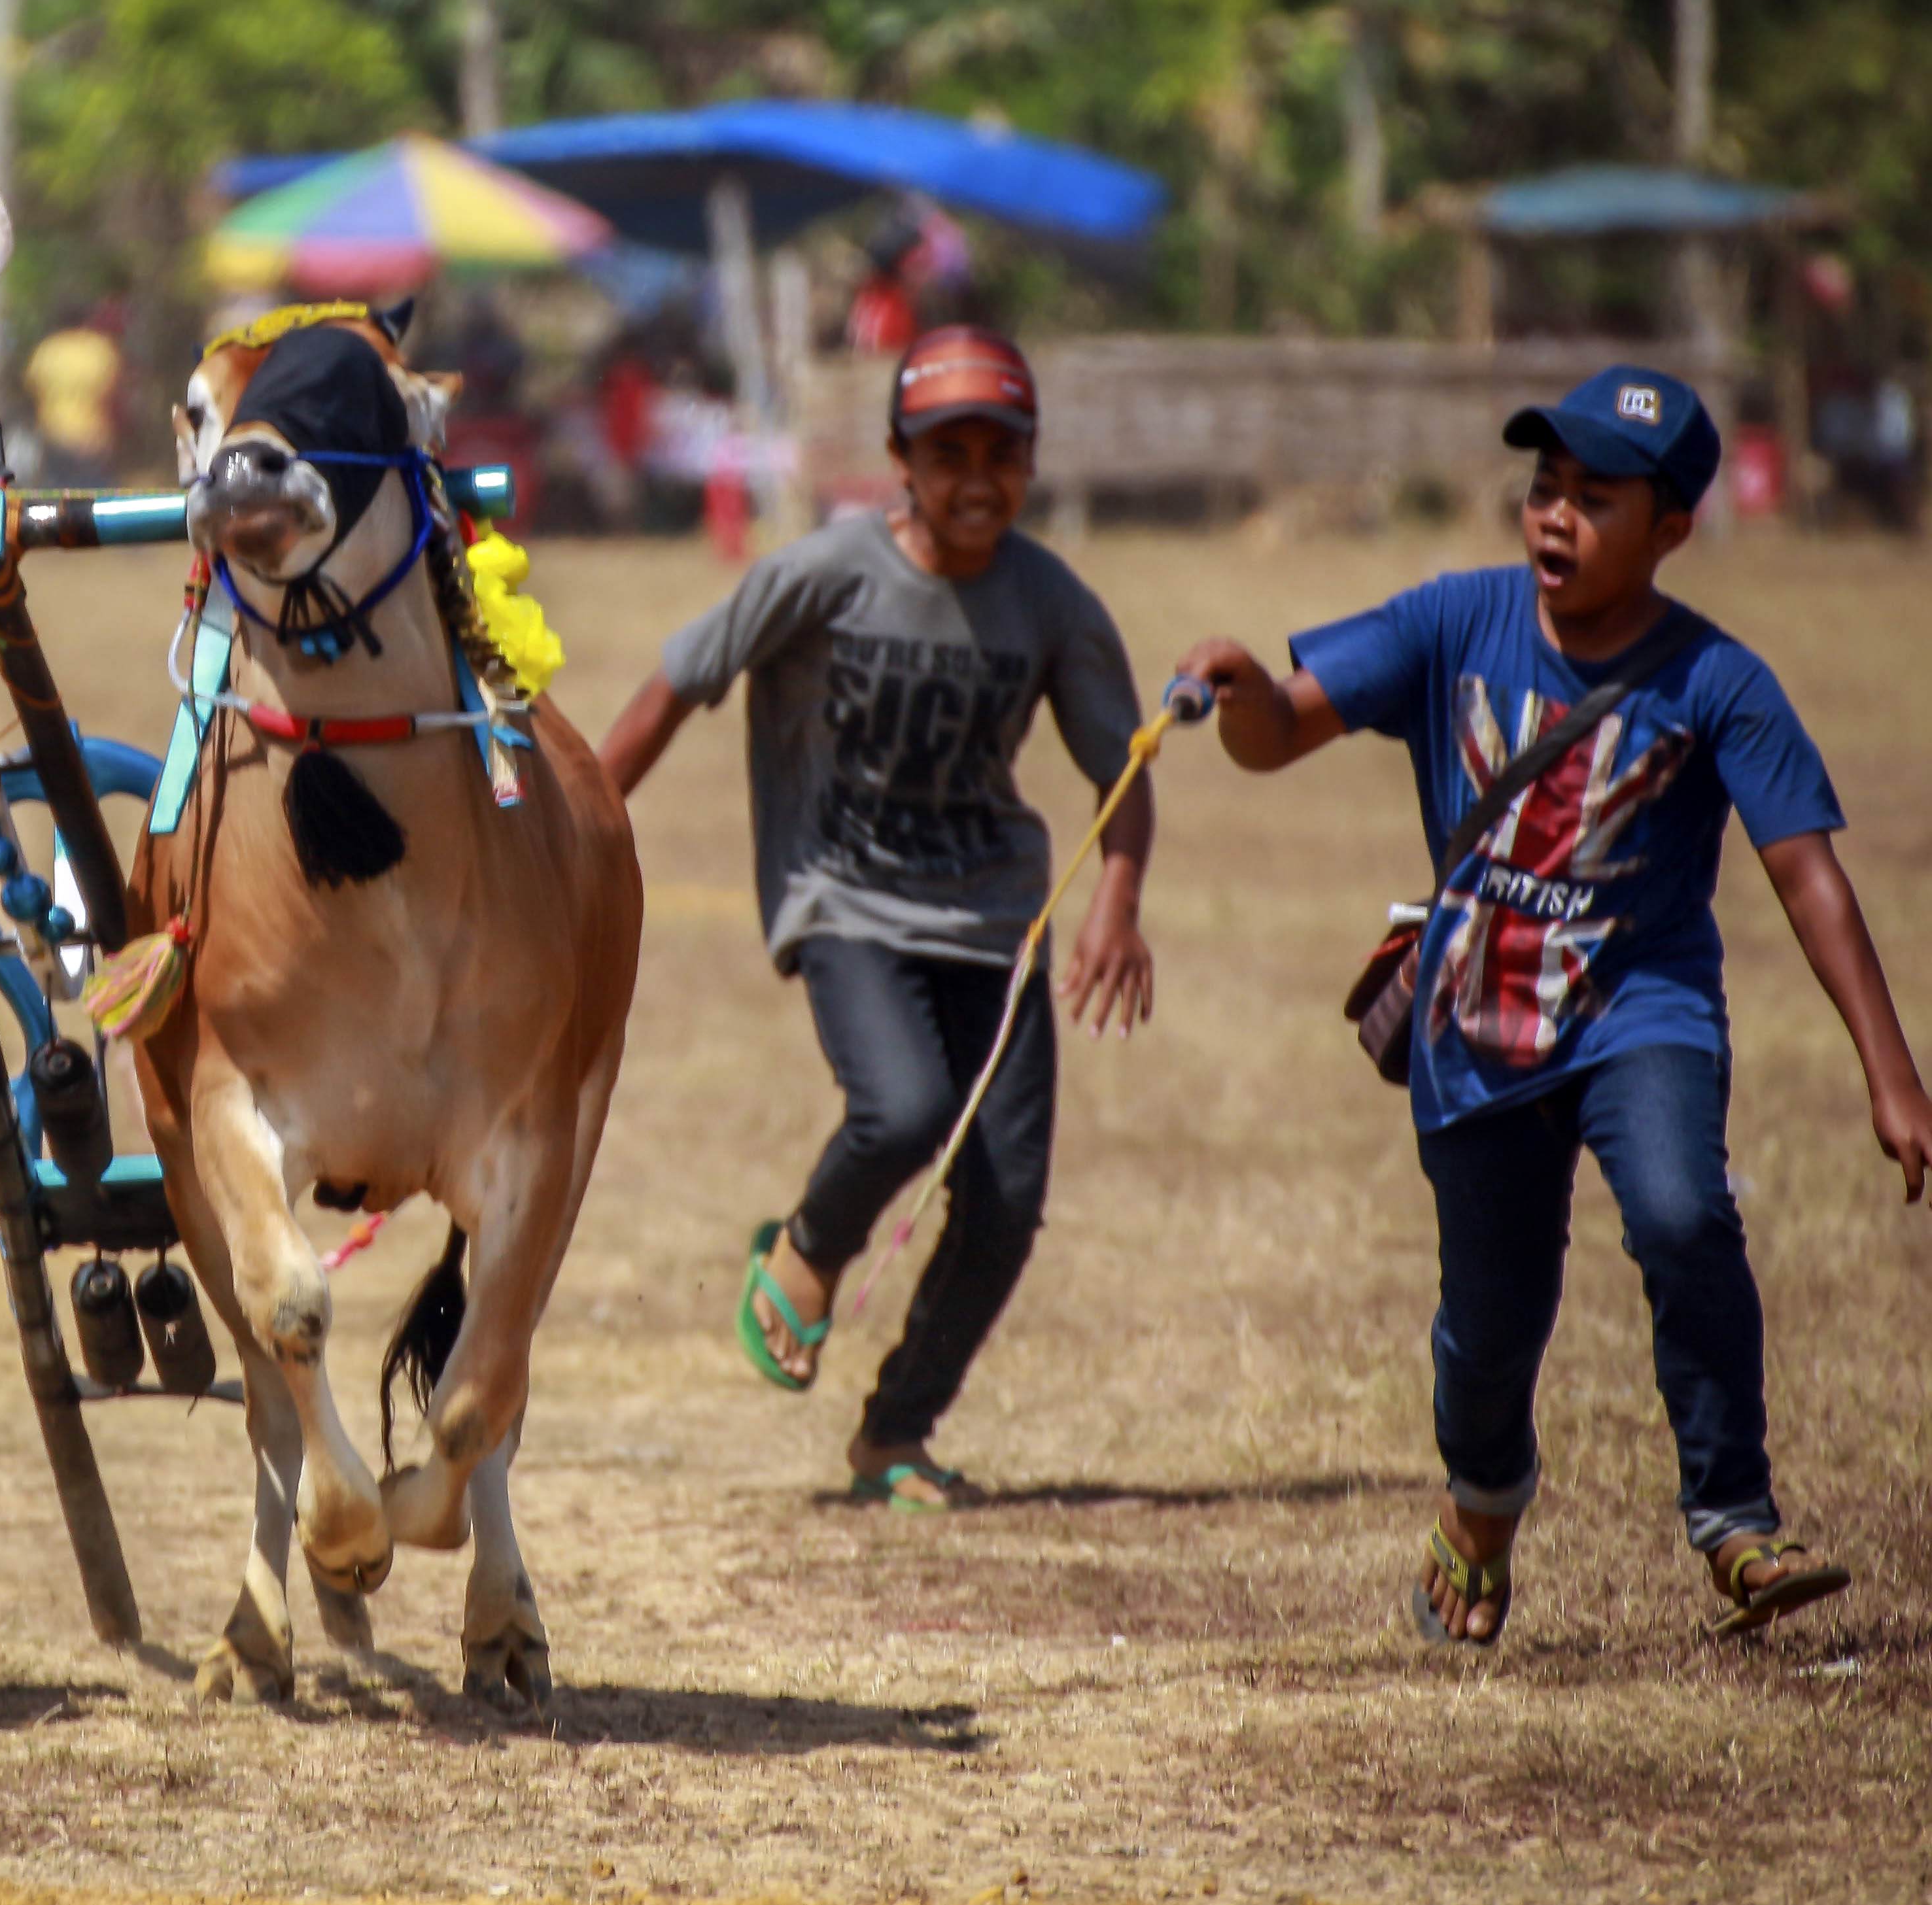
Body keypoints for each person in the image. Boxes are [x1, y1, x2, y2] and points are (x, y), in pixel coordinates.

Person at [1173, 365, 1932, 1644]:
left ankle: (1738, 1523)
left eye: (1596, 498)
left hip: (1647, 1009)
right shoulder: (1454, 621)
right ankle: (1479, 1508)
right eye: (1544, 490)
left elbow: (1809, 878)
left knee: (1688, 1219)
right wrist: (1244, 685)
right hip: (1478, 1025)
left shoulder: (1718, 681)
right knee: (1490, 1323)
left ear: (1674, 528)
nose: (1556, 518)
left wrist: (1891, 1071)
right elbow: (1282, 729)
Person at [597, 328, 1156, 1509]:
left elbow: (1120, 766)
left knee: (1004, 1202)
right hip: (843, 896)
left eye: (998, 453)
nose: (973, 478)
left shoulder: (1048, 602)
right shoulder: (824, 572)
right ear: (898, 455)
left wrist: (1116, 896)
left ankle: (891, 1436)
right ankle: (801, 1255)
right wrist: (584, 833)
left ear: (1029, 461)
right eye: (945, 450)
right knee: (900, 1107)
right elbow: (676, 683)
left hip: (994, 914)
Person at [23, 305, 124, 488]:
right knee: (94, 495)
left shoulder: (46, 351)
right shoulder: (99, 350)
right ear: (85, 321)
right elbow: (113, 392)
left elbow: (32, 389)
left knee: (58, 492)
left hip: (55, 434)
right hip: (92, 437)